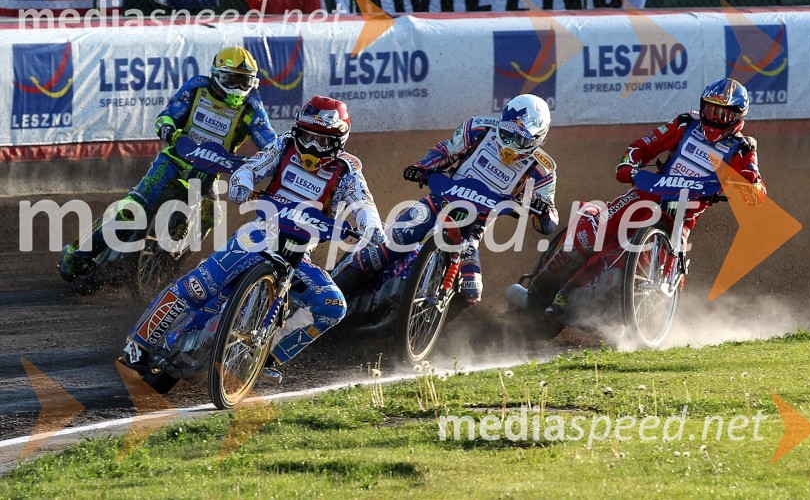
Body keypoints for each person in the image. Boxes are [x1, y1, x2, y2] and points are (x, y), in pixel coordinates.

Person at [136, 95, 385, 383]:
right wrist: (242, 181)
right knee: (201, 283)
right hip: (259, 234)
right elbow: (253, 166)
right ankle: (140, 342)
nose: (312, 146)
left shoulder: (348, 169)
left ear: (339, 140)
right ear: (297, 129)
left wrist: (371, 226)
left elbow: (363, 202)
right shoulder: (283, 145)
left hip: (298, 254)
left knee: (332, 305)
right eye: (307, 135)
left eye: (322, 140)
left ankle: (265, 355)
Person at [538, 77, 766, 309]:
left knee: (671, 276)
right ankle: (538, 291)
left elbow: (754, 182)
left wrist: (750, 190)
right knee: (591, 233)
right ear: (702, 107)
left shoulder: (743, 148)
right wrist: (630, 163)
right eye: (710, 110)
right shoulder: (686, 123)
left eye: (724, 115)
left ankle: (614, 309)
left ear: (738, 117)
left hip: (683, 217)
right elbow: (644, 145)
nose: (715, 119)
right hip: (646, 196)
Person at [58, 46, 276, 283]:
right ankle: (76, 253)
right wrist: (170, 130)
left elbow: (270, 143)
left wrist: (271, 161)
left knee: (211, 216)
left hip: (210, 171)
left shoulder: (252, 109)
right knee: (133, 206)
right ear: (217, 75)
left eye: (245, 82)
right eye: (232, 79)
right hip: (174, 159)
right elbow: (167, 115)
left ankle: (167, 263)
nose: (237, 88)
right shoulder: (197, 88)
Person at [333, 93, 559, 305]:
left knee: (471, 291)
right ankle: (329, 296)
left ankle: (426, 331)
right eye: (507, 133)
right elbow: (448, 150)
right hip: (435, 205)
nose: (510, 144)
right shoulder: (478, 128)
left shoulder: (543, 170)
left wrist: (542, 210)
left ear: (538, 138)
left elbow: (549, 221)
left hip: (472, 230)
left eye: (520, 139)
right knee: (389, 247)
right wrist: (422, 167)